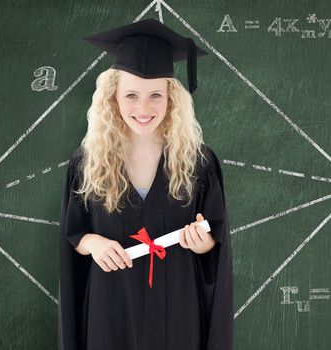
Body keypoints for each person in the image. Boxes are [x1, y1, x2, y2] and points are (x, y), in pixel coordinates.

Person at [58, 19, 233, 350]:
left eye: (156, 94)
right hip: (110, 308)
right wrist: (94, 243)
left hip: (179, 309)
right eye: (131, 95)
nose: (143, 108)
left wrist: (201, 242)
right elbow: (74, 235)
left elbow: (215, 242)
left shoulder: (199, 162)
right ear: (113, 99)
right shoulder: (87, 162)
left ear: (171, 98)